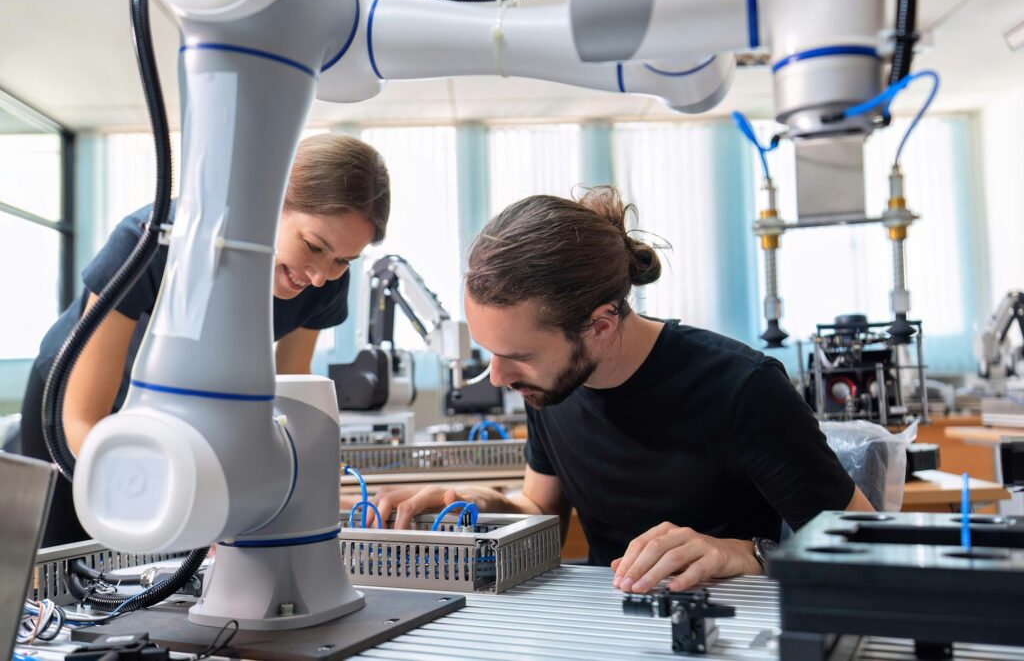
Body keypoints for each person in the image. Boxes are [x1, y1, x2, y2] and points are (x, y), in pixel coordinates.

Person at [372, 186, 872, 594]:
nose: (498, 377)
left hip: (733, 625)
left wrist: (745, 552)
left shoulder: (743, 388)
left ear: (601, 324)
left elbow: (865, 546)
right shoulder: (552, 385)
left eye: (519, 356)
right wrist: (473, 499)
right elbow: (540, 507)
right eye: (490, 353)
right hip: (608, 623)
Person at [21, 133, 390, 547]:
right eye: (314, 246)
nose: (321, 275)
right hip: (73, 399)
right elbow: (83, 421)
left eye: (342, 260)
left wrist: (302, 496)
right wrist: (161, 500)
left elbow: (289, 401)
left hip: (181, 409)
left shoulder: (323, 286)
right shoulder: (152, 241)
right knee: (69, 560)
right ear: (267, 201)